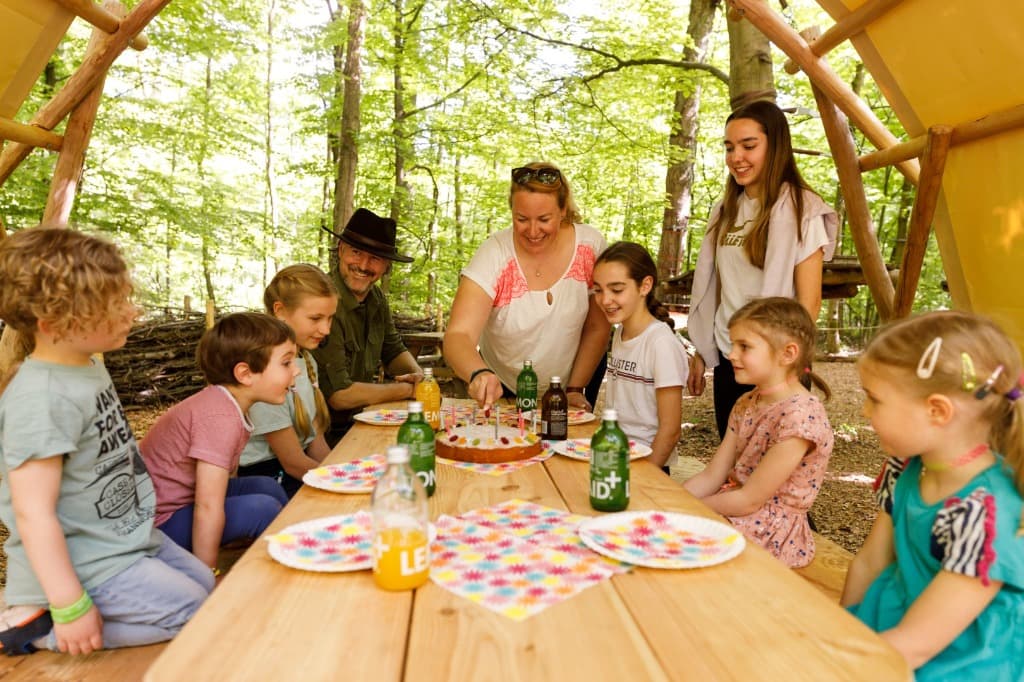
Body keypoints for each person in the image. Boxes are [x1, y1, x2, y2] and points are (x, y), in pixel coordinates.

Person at [0, 228, 212, 656]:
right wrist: (70, 605)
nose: (132, 312)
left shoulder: (86, 362)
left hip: (125, 539)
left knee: (207, 584)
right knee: (196, 610)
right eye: (114, 306)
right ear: (54, 323)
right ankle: (38, 629)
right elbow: (33, 514)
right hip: (87, 561)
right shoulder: (41, 399)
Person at [842, 311, 1024, 680]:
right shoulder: (905, 468)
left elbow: (917, 644)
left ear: (937, 411)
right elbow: (869, 563)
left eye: (874, 400)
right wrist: (840, 630)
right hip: (894, 625)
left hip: (961, 664)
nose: (864, 411)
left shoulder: (984, 513)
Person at [687, 100, 838, 439]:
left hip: (776, 364)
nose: (736, 157)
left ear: (776, 146)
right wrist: (702, 349)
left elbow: (808, 303)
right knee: (735, 462)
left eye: (748, 145)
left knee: (771, 475)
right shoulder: (725, 209)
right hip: (732, 359)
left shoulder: (802, 209)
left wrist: (779, 366)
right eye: (729, 147)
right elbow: (716, 288)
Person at [443, 162, 611, 411]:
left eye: (544, 219)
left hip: (573, 382)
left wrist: (575, 388)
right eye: (521, 219)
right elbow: (458, 335)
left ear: (563, 210)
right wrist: (478, 373)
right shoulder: (495, 253)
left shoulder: (591, 246)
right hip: (503, 385)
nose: (533, 231)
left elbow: (598, 326)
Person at [683, 297, 833, 567]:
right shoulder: (746, 403)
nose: (731, 355)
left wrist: (691, 510)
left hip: (770, 531)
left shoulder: (800, 417)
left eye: (744, 346)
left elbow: (750, 500)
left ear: (788, 354)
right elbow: (712, 475)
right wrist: (676, 500)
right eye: (732, 345)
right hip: (734, 508)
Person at [141, 313, 294, 573]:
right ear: (245, 373)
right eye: (287, 362)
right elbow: (208, 506)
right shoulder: (219, 417)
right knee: (261, 508)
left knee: (267, 486)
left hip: (181, 503)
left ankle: (292, 547)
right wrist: (207, 573)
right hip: (158, 525)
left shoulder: (227, 404)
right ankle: (277, 573)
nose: (296, 370)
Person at [311, 208, 423, 445]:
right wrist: (407, 390)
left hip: (363, 421)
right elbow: (339, 396)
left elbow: (393, 350)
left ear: (386, 266)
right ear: (341, 250)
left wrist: (419, 378)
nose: (363, 265)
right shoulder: (324, 302)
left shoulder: (377, 299)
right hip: (325, 435)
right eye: (356, 252)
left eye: (375, 258)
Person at [238, 265, 337, 497]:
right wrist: (341, 483)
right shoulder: (262, 370)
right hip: (265, 480)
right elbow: (293, 461)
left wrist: (345, 473)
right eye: (315, 318)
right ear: (280, 311)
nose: (326, 329)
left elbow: (315, 443)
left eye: (330, 318)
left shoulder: (306, 360)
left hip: (297, 470)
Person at [591, 242, 688, 474]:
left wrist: (644, 478)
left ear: (645, 286)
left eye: (616, 290)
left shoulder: (660, 343)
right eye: (598, 290)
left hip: (646, 465)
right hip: (615, 457)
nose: (605, 300)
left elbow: (671, 429)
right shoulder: (619, 331)